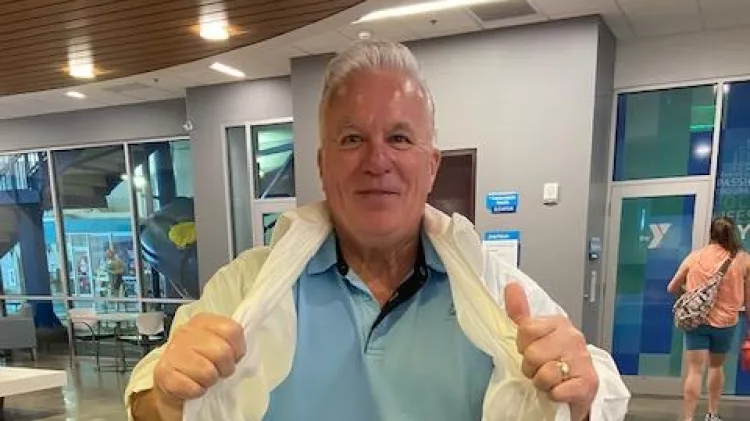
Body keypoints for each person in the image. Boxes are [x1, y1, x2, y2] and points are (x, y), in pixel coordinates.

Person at [125, 40, 629, 421]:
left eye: (400, 137)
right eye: (352, 139)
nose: (377, 160)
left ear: (431, 166)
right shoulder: (248, 289)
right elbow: (148, 401)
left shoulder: (496, 290)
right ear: (323, 166)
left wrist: (577, 398)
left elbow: (595, 390)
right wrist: (168, 398)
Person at [668, 216, 750, 421]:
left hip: (697, 321)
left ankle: (688, 418)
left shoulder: (694, 257)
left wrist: (692, 295)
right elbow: (748, 300)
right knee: (716, 367)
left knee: (694, 371)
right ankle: (712, 414)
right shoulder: (743, 260)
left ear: (711, 233)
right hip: (726, 323)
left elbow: (672, 287)